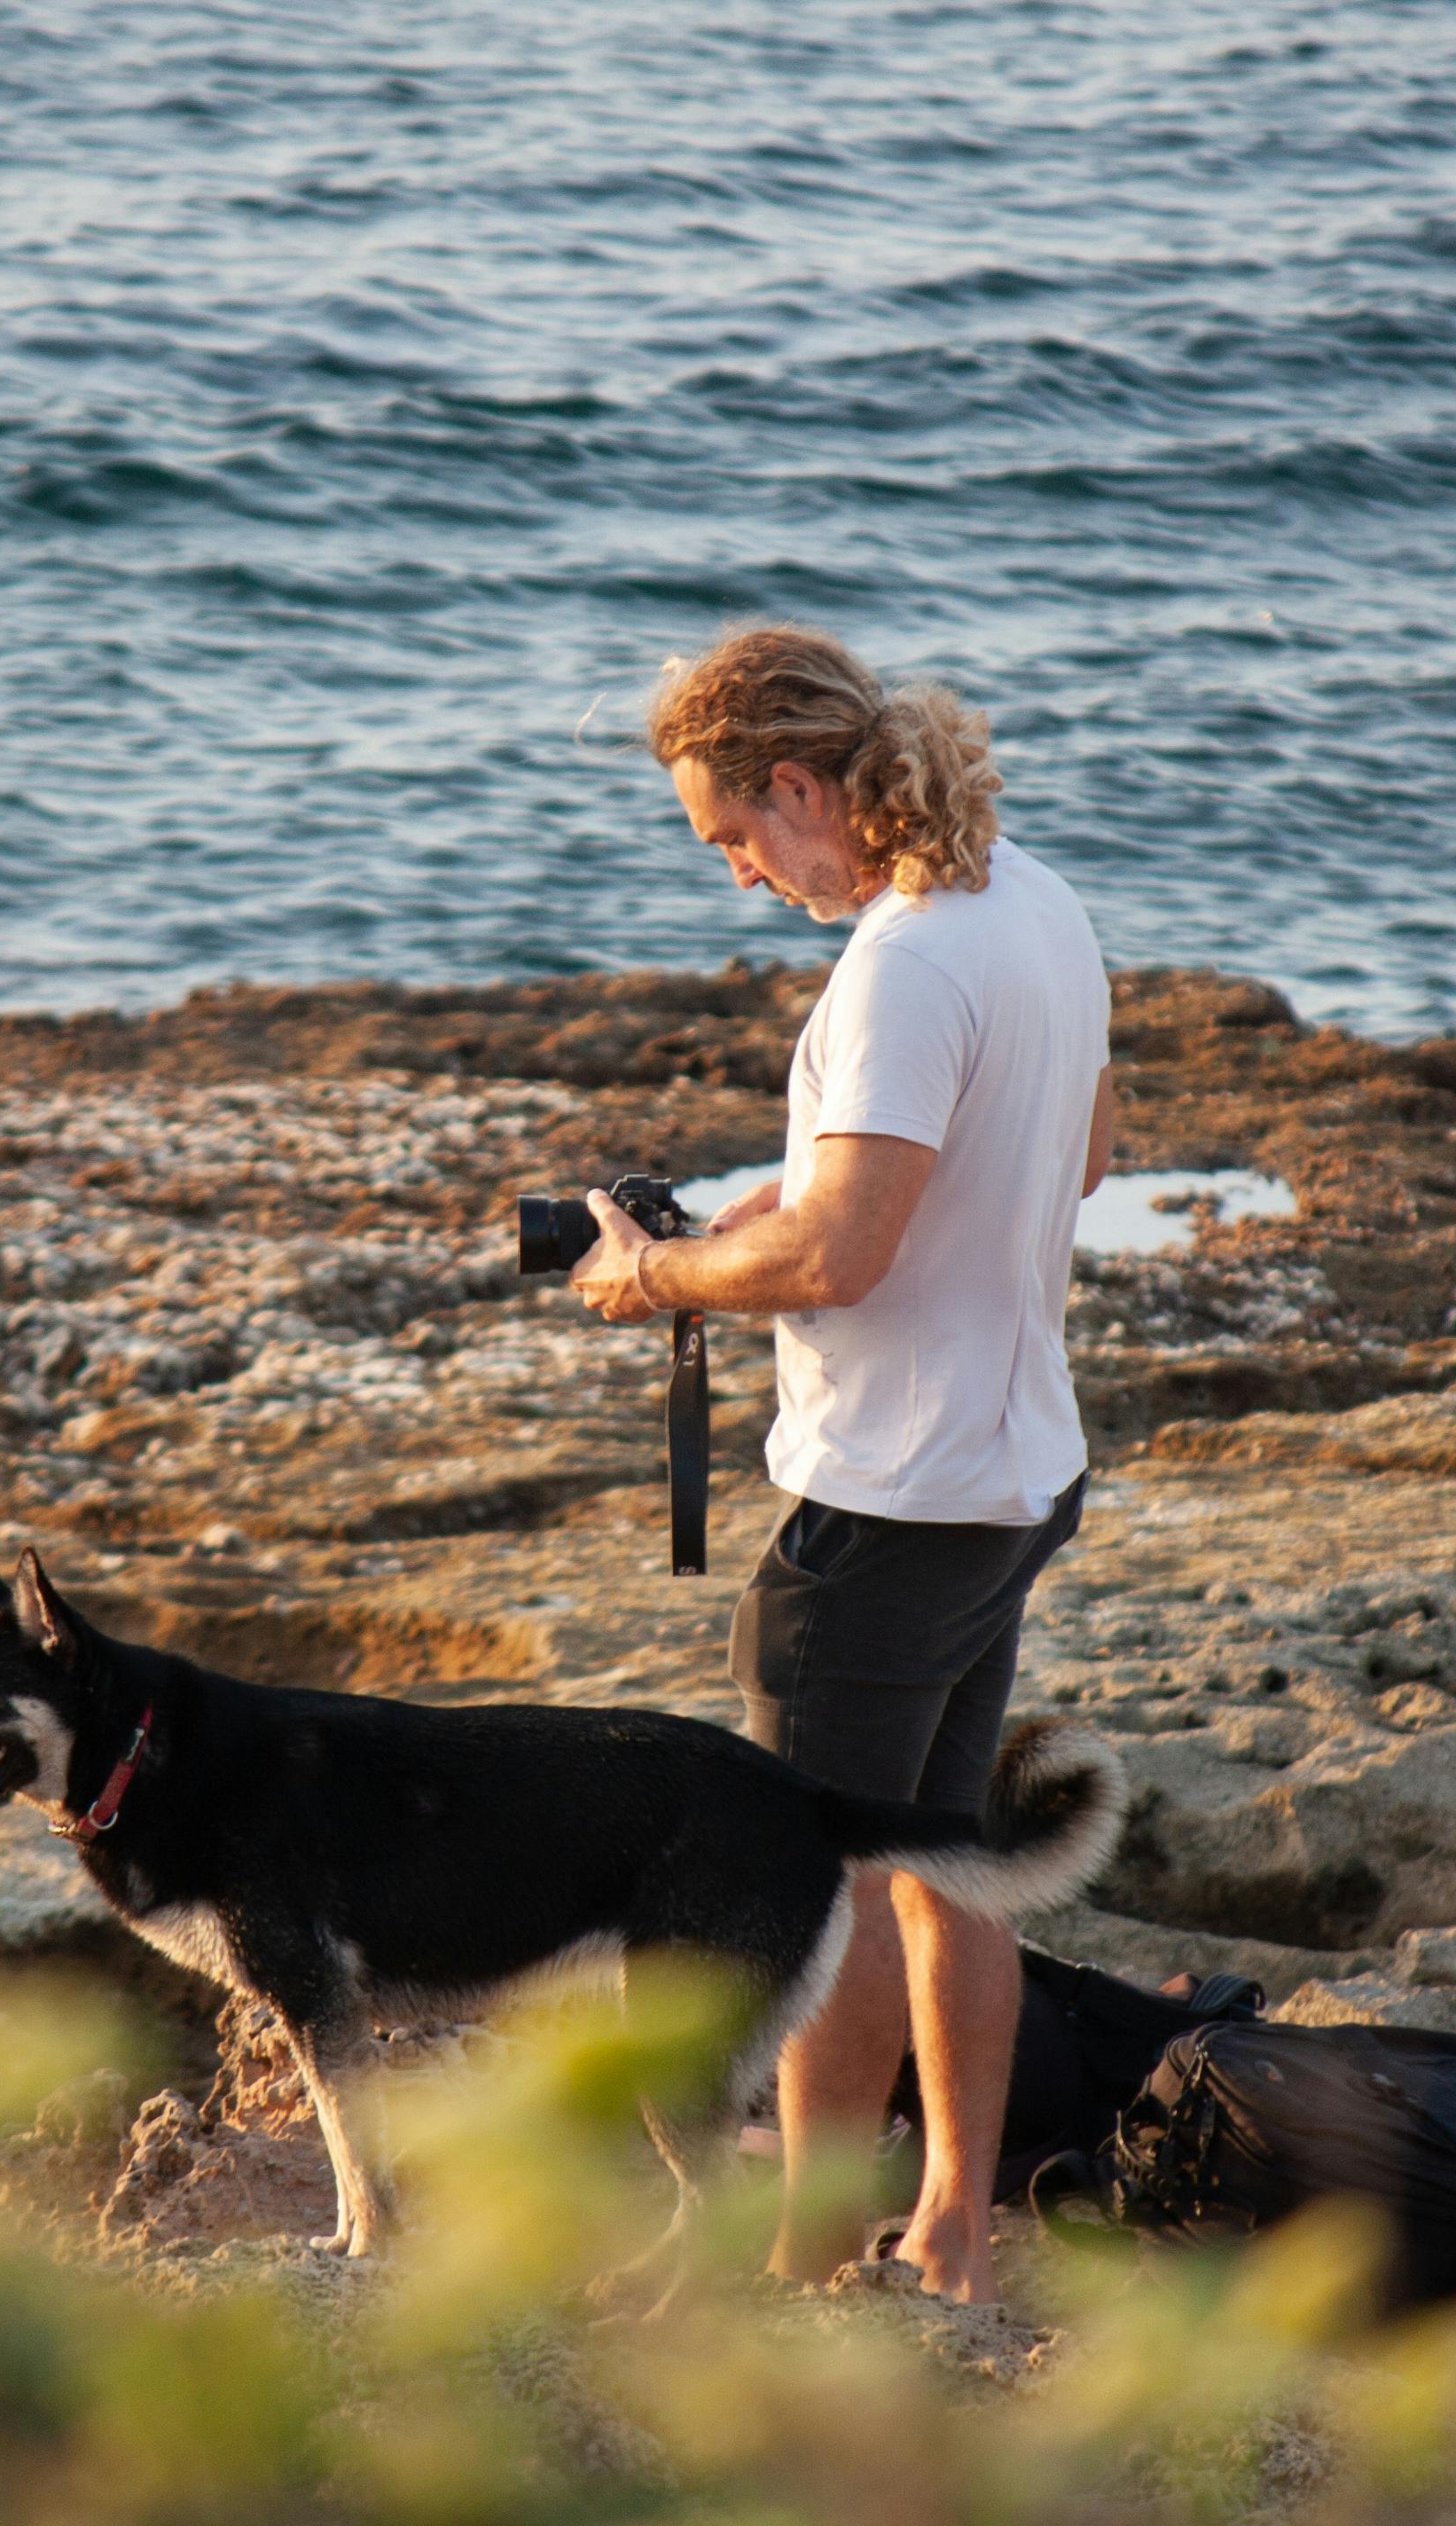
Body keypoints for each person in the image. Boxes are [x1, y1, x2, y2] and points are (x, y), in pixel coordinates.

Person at [570, 623, 1111, 2305]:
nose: (739, 875)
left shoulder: (900, 966)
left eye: (734, 837)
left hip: (882, 1506)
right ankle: (947, 2223)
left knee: (826, 1895)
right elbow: (1080, 1151)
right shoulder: (1028, 896)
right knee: (948, 1865)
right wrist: (793, 1211)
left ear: (804, 788)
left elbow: (847, 1258)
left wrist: (656, 1273)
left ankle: (805, 2251)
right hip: (1013, 1473)